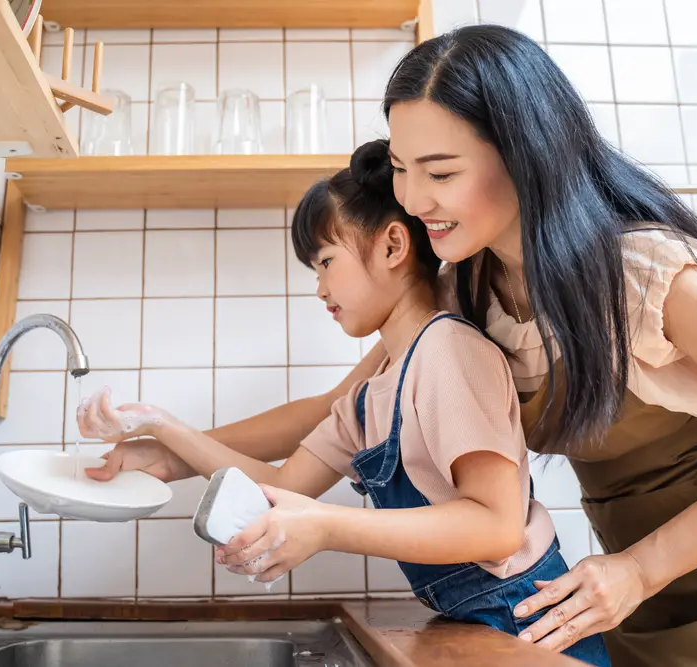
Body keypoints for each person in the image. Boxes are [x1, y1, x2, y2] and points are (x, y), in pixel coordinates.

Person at [82, 25, 697, 667]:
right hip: (627, 600)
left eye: (440, 172)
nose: (412, 201)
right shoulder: (466, 289)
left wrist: (641, 567)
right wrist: (174, 453)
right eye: (404, 170)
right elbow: (333, 409)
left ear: (527, 154)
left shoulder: (648, 274)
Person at [78, 140, 610, 666]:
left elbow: (495, 528)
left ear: (393, 246)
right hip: (475, 620)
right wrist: (166, 431)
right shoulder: (365, 400)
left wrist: (326, 526)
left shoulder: (449, 353)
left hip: (531, 619)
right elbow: (281, 490)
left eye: (326, 262)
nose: (319, 288)